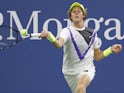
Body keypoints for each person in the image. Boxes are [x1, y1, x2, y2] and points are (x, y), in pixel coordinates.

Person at [39, 2, 122, 93]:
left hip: (87, 69)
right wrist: (50, 37)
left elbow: (97, 56)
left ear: (83, 15)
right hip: (69, 72)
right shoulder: (66, 31)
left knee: (81, 86)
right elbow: (58, 44)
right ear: (70, 16)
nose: (76, 13)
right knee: (79, 90)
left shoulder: (92, 33)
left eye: (79, 11)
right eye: (73, 12)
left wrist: (110, 50)